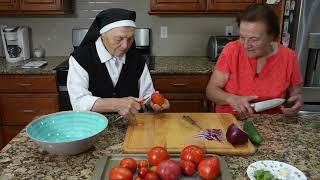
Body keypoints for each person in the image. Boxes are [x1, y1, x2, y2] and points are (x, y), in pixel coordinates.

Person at [67, 8, 170, 120]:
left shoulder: (137, 59)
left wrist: (153, 102)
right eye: (118, 39)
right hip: (93, 125)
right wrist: (116, 104)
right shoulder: (80, 58)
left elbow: (146, 95)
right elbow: (78, 101)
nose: (125, 46)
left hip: (132, 124)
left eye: (130, 39)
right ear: (103, 34)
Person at [206, 4, 303, 116]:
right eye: (242, 37)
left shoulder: (289, 57)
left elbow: (295, 92)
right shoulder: (231, 50)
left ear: (272, 36)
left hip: (272, 123)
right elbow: (211, 91)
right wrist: (231, 99)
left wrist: (296, 100)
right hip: (231, 120)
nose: (246, 45)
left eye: (254, 39)